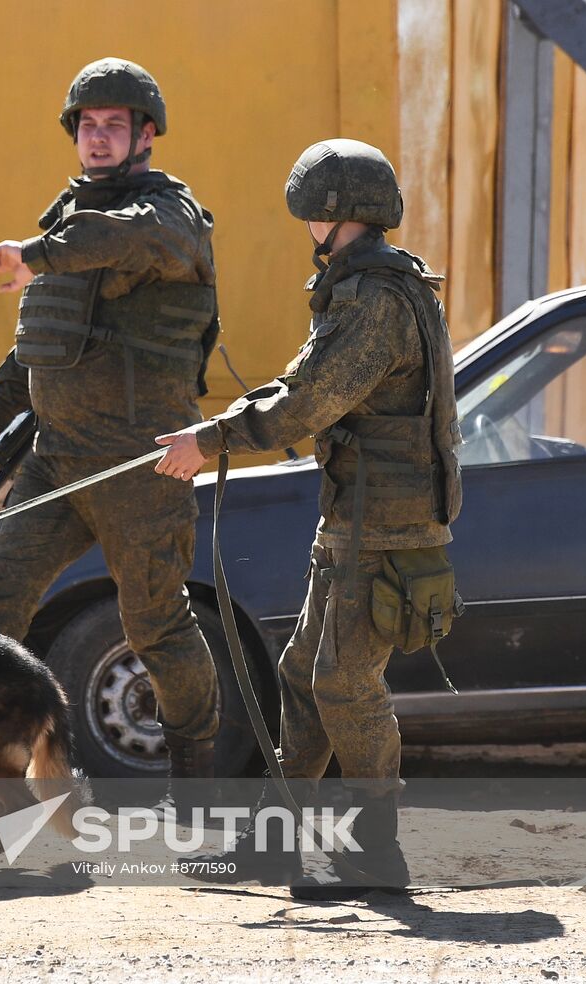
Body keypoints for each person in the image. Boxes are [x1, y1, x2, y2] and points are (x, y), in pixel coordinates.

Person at [153, 138, 462, 898]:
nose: (304, 230)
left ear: (330, 215)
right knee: (302, 680)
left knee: (346, 687)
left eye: (308, 217)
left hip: (383, 529)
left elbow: (311, 403)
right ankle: (273, 841)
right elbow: (302, 379)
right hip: (353, 520)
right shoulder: (363, 287)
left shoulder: (378, 301)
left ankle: (374, 857)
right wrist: (223, 421)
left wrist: (214, 441)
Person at [0, 57, 223, 783]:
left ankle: (198, 782)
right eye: (88, 125)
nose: (98, 138)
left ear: (146, 135)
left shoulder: (171, 218)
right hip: (57, 457)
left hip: (142, 461)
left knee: (157, 629)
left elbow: (125, 238)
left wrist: (35, 254)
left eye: (114, 125)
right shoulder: (68, 221)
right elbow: (44, 335)